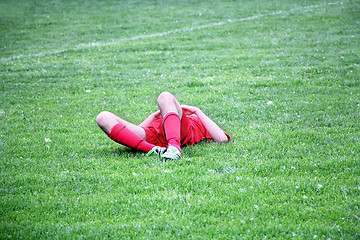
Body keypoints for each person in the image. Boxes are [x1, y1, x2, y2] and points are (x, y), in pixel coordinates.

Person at [96, 91, 230, 160]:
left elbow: (222, 138)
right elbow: (137, 130)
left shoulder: (197, 119)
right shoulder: (166, 117)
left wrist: (196, 110)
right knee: (102, 117)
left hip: (180, 134)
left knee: (165, 95)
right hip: (153, 136)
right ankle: (154, 150)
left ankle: (174, 148)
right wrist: (155, 115)